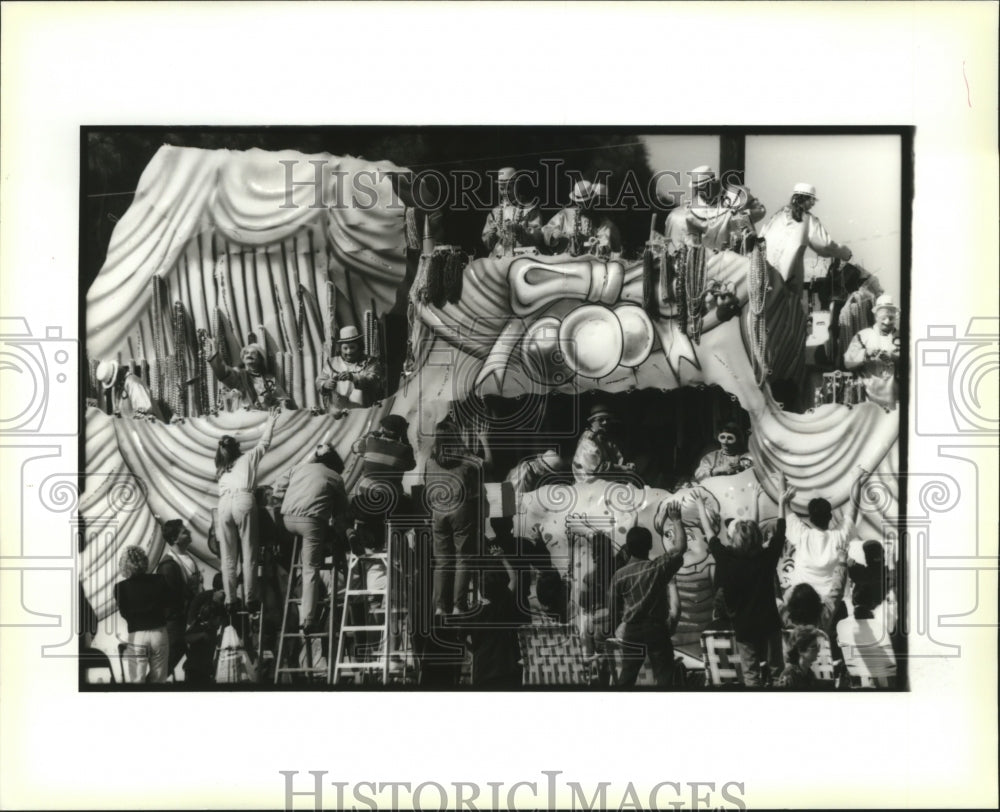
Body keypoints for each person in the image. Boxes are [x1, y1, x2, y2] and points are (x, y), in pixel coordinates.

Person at [702, 482, 787, 686]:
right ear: (758, 537)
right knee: (777, 672)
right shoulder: (766, 558)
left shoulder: (727, 560)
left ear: (734, 539)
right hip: (769, 623)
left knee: (751, 674)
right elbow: (780, 532)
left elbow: (710, 534)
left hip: (744, 626)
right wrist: (782, 502)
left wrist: (699, 505)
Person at [604, 507, 687, 688]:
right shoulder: (658, 569)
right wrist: (676, 520)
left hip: (631, 631)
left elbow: (612, 610)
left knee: (626, 677)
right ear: (650, 546)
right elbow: (679, 548)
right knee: (664, 675)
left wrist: (617, 629)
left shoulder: (619, 575)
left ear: (628, 547)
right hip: (657, 631)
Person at [271, 441, 348, 635]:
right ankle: (308, 618)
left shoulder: (298, 468)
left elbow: (277, 490)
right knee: (310, 570)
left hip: (287, 520)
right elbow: (342, 512)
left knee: (303, 565)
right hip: (311, 523)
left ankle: (301, 609)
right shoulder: (335, 477)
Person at [215, 407, 279, 614]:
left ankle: (231, 600)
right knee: (249, 553)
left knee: (228, 557)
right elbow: (265, 443)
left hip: (223, 504)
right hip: (243, 499)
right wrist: (272, 420)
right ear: (238, 449)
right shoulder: (248, 458)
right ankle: (250, 599)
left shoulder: (222, 469)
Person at [424, 419, 486, 615]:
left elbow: (426, 485)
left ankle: (441, 607)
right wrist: (483, 440)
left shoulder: (430, 460)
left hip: (437, 511)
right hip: (461, 509)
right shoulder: (466, 458)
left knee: (442, 561)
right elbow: (487, 465)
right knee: (463, 559)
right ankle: (459, 605)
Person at [780, 470, 867, 604]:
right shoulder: (839, 536)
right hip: (835, 604)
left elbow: (785, 506)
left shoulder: (802, 535)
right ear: (830, 517)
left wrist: (781, 480)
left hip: (806, 604)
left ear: (810, 518)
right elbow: (853, 509)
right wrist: (857, 479)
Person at [759, 182, 852, 299]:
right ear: (803, 199)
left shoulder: (776, 216)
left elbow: (761, 237)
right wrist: (845, 253)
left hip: (764, 277)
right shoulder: (808, 220)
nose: (813, 203)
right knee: (788, 313)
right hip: (787, 282)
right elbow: (825, 244)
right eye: (811, 199)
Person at [663, 166, 766, 255]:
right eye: (698, 189)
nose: (702, 192)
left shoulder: (736, 197)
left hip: (736, 257)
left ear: (714, 183)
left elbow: (760, 210)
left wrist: (743, 216)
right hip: (708, 262)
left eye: (705, 187)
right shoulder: (689, 212)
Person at [464, 546, 523, 688]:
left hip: (482, 669)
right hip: (506, 669)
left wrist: (474, 651)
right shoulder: (503, 605)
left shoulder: (473, 612)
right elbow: (514, 578)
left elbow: (464, 637)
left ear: (480, 590)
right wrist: (503, 558)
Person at [114, 545, 171, 683]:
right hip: (159, 632)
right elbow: (168, 604)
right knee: (159, 680)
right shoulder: (159, 580)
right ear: (144, 561)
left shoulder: (120, 587)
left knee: (137, 681)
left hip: (137, 634)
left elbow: (124, 613)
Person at [156, 519, 202, 677]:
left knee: (196, 666)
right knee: (165, 667)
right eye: (184, 532)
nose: (188, 532)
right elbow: (168, 600)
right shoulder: (167, 565)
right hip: (177, 625)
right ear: (174, 539)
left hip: (191, 621)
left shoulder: (188, 558)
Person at [843, 294, 901, 410]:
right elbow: (847, 361)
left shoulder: (902, 336)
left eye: (891, 317)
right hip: (868, 395)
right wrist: (865, 353)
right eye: (883, 317)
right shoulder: (863, 336)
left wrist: (894, 357)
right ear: (876, 316)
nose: (887, 322)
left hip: (894, 395)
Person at [205, 337, 294, 412]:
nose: (249, 355)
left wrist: (283, 405)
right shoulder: (238, 374)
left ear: (260, 359)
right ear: (243, 359)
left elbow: (281, 399)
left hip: (265, 417)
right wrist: (215, 352)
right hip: (246, 417)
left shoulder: (269, 378)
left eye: (253, 353)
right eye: (246, 353)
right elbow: (223, 372)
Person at [543, 180, 622, 258]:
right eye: (579, 202)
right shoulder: (565, 214)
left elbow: (608, 243)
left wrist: (597, 242)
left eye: (586, 202)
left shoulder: (602, 220)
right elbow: (546, 229)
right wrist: (557, 234)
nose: (582, 205)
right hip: (566, 262)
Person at [316, 326, 385, 414]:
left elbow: (375, 381)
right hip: (337, 412)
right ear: (340, 349)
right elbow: (320, 381)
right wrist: (325, 384)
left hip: (364, 412)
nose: (349, 352)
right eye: (345, 348)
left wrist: (354, 377)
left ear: (359, 347)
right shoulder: (332, 362)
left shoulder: (371, 362)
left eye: (352, 347)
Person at [481, 167, 543, 258]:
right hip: (498, 260)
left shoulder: (530, 209)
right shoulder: (494, 213)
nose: (505, 192)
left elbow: (539, 237)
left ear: (516, 185)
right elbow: (488, 244)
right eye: (502, 189)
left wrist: (522, 231)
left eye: (509, 188)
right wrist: (491, 234)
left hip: (522, 259)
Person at [572, 404, 635, 484]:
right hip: (589, 484)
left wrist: (627, 466)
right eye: (600, 420)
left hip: (604, 481)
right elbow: (597, 468)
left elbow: (616, 459)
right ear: (592, 422)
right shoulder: (588, 440)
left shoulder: (606, 438)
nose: (605, 422)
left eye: (608, 419)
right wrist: (622, 468)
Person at [95, 360, 161, 420]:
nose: (113, 385)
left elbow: (145, 412)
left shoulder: (133, 383)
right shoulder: (117, 387)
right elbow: (118, 411)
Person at [506, 449, 571, 495]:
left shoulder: (532, 469)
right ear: (544, 469)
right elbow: (519, 500)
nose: (546, 475)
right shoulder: (525, 474)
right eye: (548, 473)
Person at [777, 624, 823, 688]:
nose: (818, 650)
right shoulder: (788, 676)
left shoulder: (809, 674)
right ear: (800, 650)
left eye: (818, 646)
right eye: (814, 647)